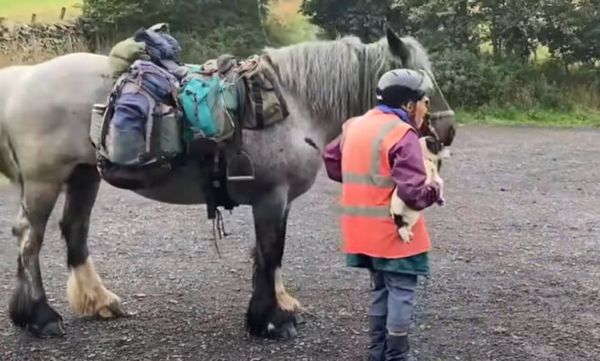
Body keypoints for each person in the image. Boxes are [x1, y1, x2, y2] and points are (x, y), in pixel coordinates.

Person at [322, 69, 444, 361]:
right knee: (401, 290)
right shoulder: (402, 134)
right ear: (408, 105)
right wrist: (435, 189)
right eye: (424, 101)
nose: (427, 108)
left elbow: (331, 161)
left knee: (380, 290)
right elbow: (413, 194)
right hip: (393, 232)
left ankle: (377, 352)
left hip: (360, 232)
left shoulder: (355, 125)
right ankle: (397, 356)